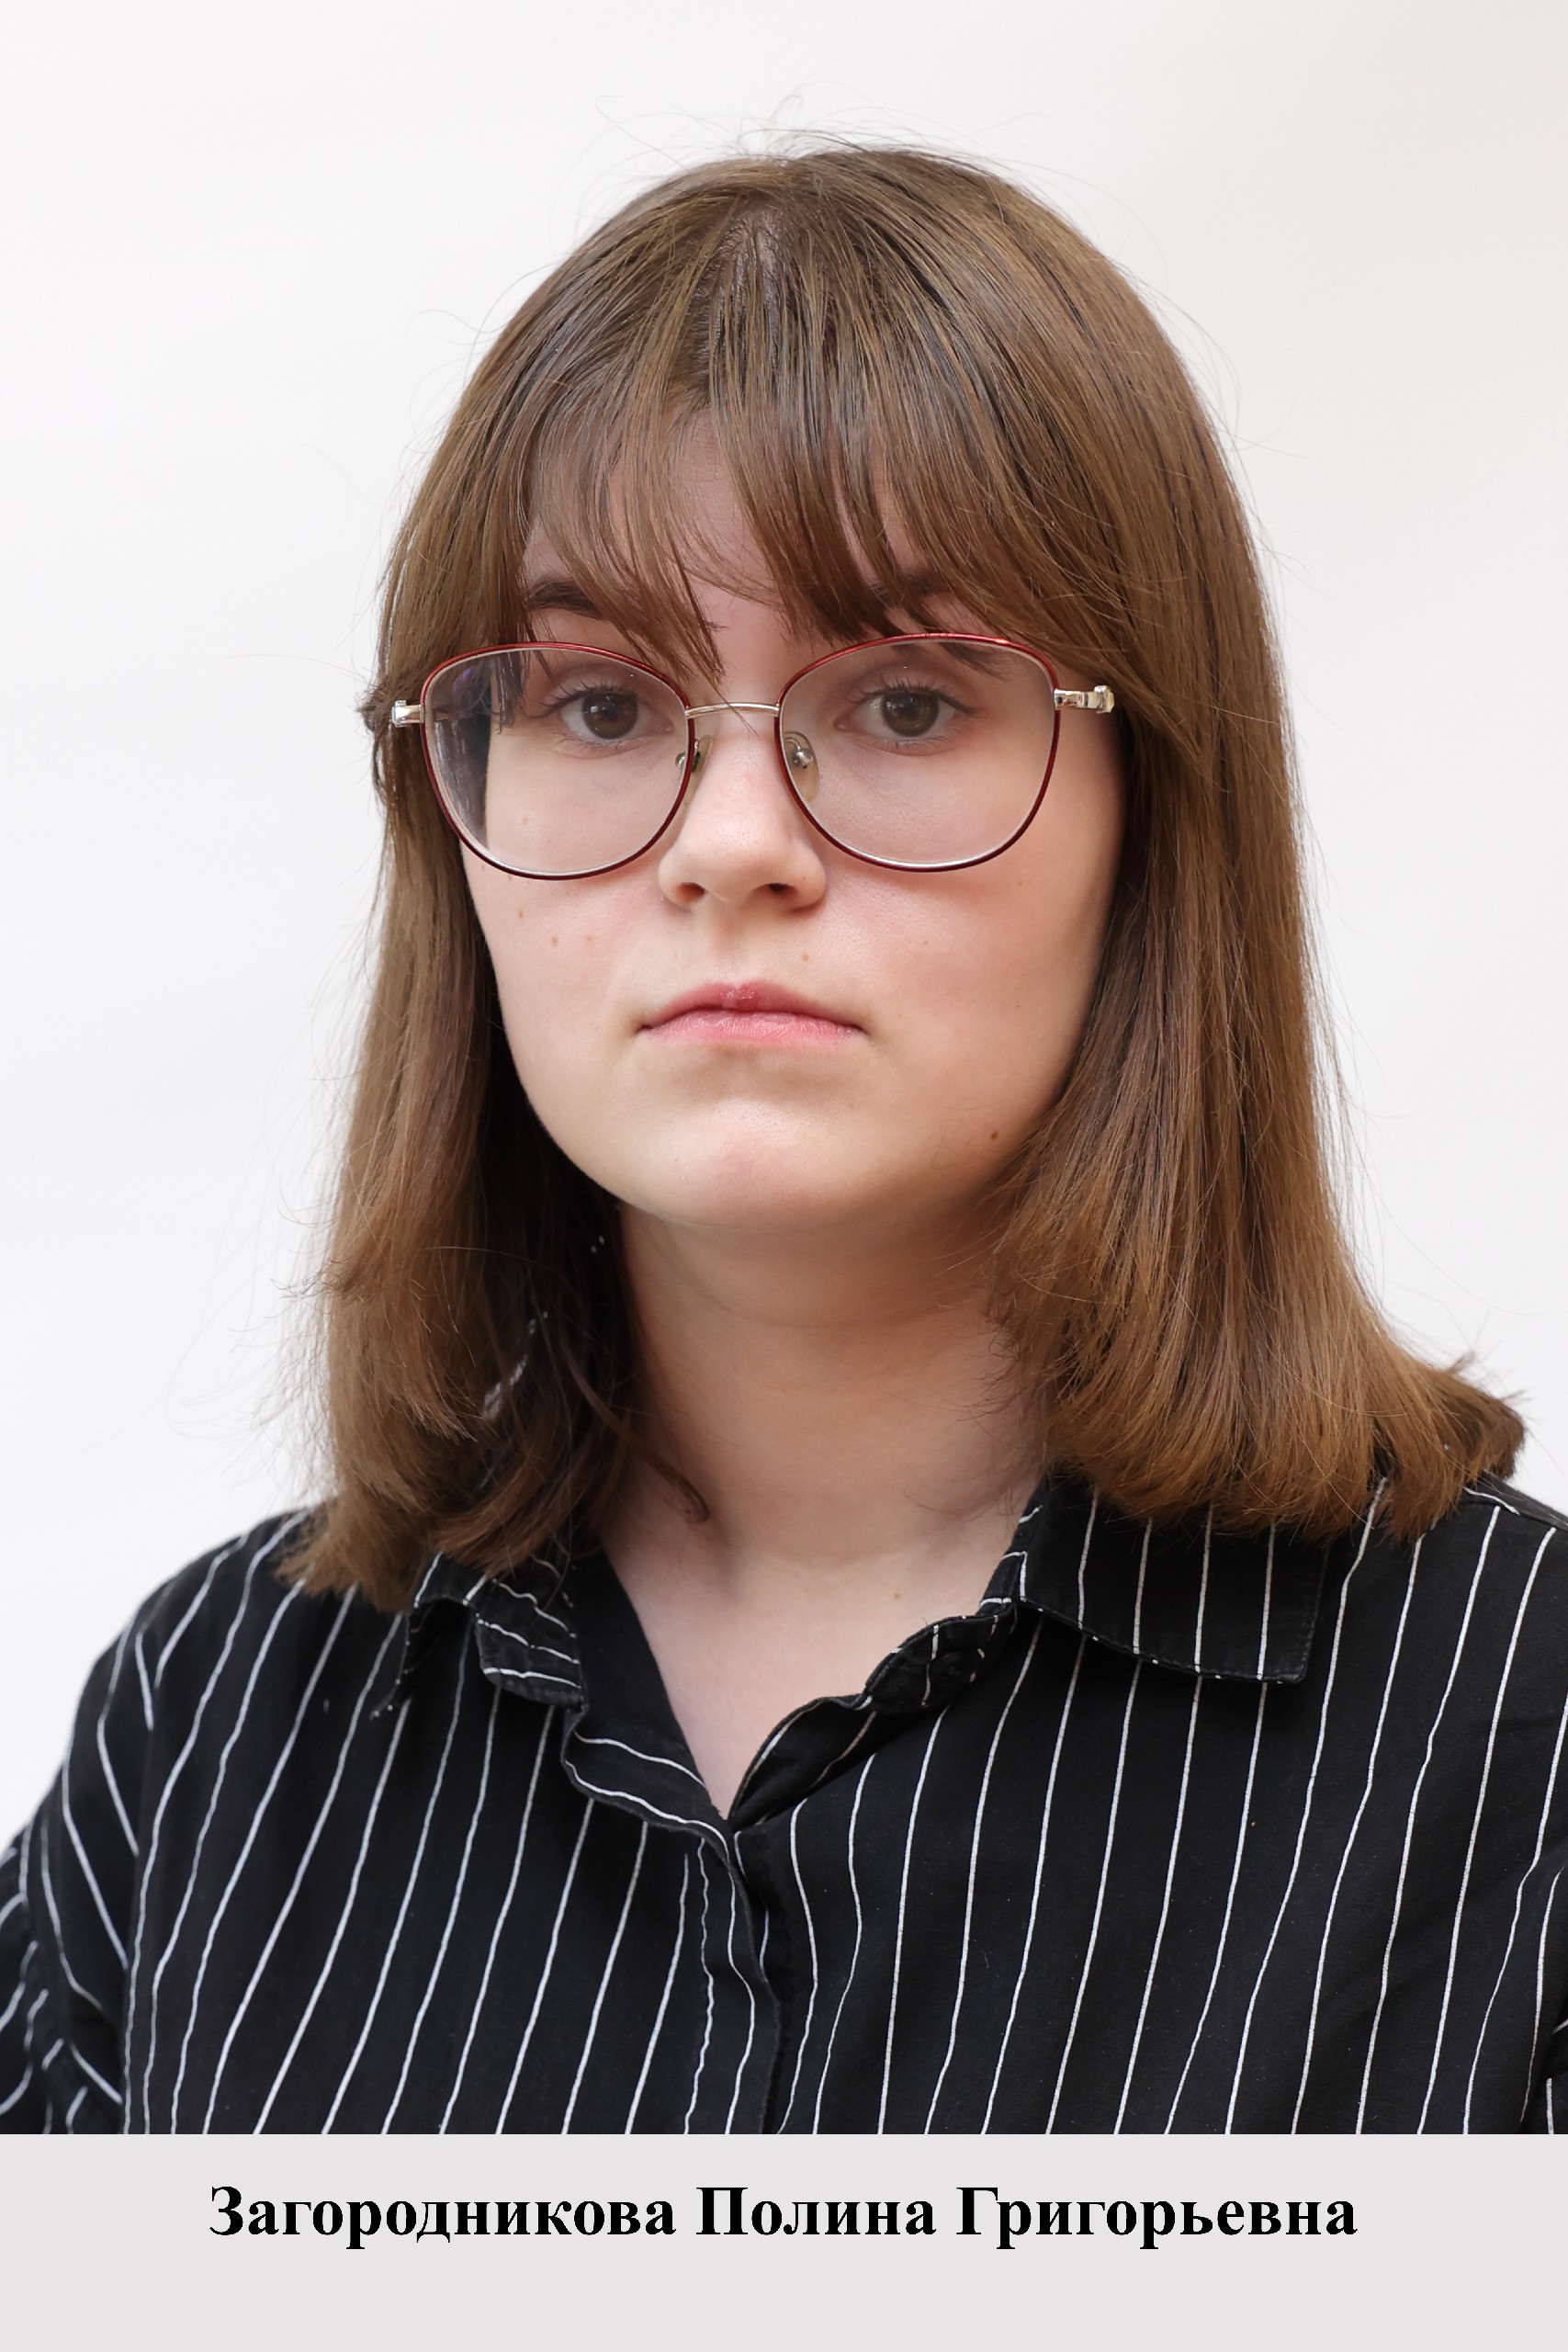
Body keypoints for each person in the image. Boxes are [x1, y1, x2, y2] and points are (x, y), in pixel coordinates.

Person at [4, 143, 1565, 2139]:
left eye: (906, 702)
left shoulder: (1523, 1742)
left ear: (1151, 818)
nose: (731, 845)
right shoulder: (209, 1736)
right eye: (596, 706)